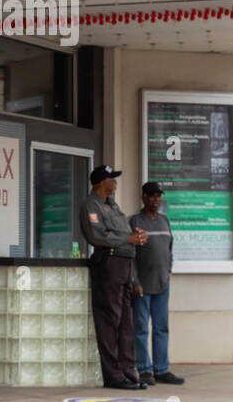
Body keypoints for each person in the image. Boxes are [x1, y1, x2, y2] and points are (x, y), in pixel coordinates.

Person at [79, 165, 147, 389]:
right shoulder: (92, 205)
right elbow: (98, 235)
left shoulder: (113, 206)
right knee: (110, 320)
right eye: (111, 179)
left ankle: (128, 370)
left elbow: (125, 235)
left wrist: (136, 236)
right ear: (99, 183)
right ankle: (113, 375)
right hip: (108, 264)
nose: (115, 183)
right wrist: (128, 239)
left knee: (126, 322)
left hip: (125, 266)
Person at [130, 182, 185, 386]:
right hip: (142, 286)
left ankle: (161, 369)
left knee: (162, 328)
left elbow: (169, 250)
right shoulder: (135, 221)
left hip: (162, 284)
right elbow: (130, 255)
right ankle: (144, 369)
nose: (156, 200)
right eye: (152, 196)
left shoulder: (164, 221)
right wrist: (134, 280)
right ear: (143, 197)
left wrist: (168, 272)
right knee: (141, 328)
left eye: (158, 196)